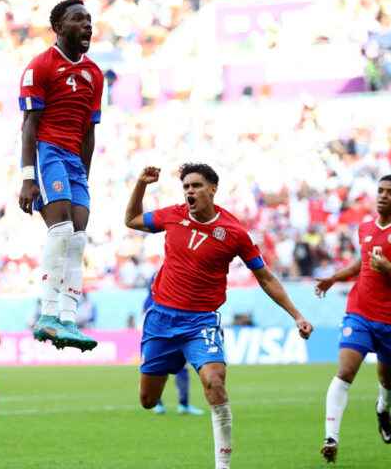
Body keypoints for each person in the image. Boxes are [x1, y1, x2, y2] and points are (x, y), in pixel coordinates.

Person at [125, 164, 314, 469]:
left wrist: (296, 315)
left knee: (215, 382)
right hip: (162, 319)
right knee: (148, 401)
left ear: (212, 189)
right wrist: (140, 185)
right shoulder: (173, 215)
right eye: (186, 186)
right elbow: (131, 219)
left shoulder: (235, 233)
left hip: (201, 321)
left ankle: (222, 467)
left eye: (196, 186)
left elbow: (265, 277)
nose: (189, 191)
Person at [315, 175, 391, 464]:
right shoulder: (365, 227)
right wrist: (335, 277)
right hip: (360, 311)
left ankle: (383, 410)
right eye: (380, 191)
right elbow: (364, 261)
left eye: (390, 192)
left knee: (388, 379)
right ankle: (331, 438)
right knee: (345, 371)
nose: (383, 196)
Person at [18, 0, 104, 351]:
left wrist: (83, 175)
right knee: (63, 230)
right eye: (78, 19)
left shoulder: (94, 74)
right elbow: (29, 125)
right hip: (48, 152)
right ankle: (47, 315)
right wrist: (27, 177)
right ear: (58, 26)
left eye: (89, 19)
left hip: (74, 163)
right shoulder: (40, 66)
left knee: (79, 240)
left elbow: (89, 131)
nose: (87, 25)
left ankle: (69, 319)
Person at [143, 275, 203, 416]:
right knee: (163, 368)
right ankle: (167, 404)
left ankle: (178, 404)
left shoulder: (161, 275)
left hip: (169, 326)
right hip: (165, 326)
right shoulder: (169, 274)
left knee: (171, 368)